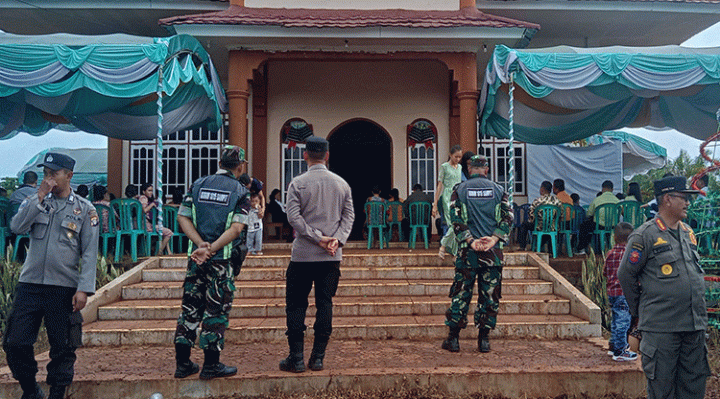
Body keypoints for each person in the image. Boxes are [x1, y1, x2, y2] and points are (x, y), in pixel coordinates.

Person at [3, 152, 99, 399]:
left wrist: (83, 288)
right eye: (46, 174)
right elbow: (17, 227)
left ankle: (57, 393)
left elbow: (89, 252)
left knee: (62, 346)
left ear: (69, 176)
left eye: (54, 174)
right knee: (16, 342)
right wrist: (38, 197)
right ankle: (30, 389)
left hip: (62, 287)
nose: (49, 179)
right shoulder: (36, 202)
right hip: (30, 284)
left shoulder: (84, 210)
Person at [618, 176, 709, 399]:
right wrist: (641, 310)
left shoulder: (688, 232)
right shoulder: (645, 235)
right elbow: (626, 274)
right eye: (683, 198)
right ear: (667, 199)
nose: (688, 203)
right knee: (662, 389)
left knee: (693, 387)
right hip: (662, 328)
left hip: (693, 325)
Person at [173, 145, 250, 380]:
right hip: (221, 261)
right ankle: (211, 365)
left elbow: (182, 216)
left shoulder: (197, 185)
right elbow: (237, 229)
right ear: (240, 166)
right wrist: (212, 249)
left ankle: (183, 363)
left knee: (190, 308)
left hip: (196, 260)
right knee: (215, 311)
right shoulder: (240, 191)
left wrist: (200, 246)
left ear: (220, 163)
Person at [279, 136, 354, 373]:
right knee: (325, 304)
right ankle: (318, 357)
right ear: (327, 156)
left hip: (302, 256)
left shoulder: (297, 183)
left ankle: (296, 358)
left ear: (305, 156)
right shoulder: (342, 184)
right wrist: (336, 240)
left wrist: (316, 237)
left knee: (296, 305)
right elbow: (349, 216)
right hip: (330, 257)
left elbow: (293, 218)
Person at [441, 155, 513, 354]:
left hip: (467, 254)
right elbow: (508, 217)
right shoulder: (499, 190)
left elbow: (455, 219)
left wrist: (471, 241)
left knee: (461, 295)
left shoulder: (460, 190)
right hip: (492, 254)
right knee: (489, 296)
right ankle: (484, 340)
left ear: (469, 168)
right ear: (487, 169)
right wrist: (494, 239)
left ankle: (453, 339)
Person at [603, 222, 637, 362]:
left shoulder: (610, 253)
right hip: (624, 292)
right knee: (623, 320)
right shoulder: (631, 255)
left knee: (616, 319)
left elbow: (605, 272)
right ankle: (620, 350)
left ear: (614, 237)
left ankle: (613, 345)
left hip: (612, 292)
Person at [577, 180, 620, 254]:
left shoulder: (597, 200)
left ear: (602, 189)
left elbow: (589, 214)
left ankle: (582, 248)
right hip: (613, 226)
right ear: (612, 190)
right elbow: (622, 212)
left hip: (599, 226)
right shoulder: (617, 201)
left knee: (584, 226)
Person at [517, 181, 562, 250]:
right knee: (549, 230)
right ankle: (550, 250)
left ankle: (522, 246)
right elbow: (561, 214)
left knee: (524, 224)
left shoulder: (537, 201)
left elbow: (531, 214)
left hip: (539, 226)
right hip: (553, 227)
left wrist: (533, 221)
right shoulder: (557, 201)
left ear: (542, 189)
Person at [432, 145, 463, 236]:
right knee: (449, 219)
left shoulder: (459, 167)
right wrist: (435, 203)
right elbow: (440, 185)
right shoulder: (444, 166)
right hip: (447, 195)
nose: (457, 159)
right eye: (455, 157)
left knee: (458, 218)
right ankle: (448, 241)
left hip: (457, 194)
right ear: (450, 155)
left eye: (459, 157)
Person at [138, 183, 173, 255]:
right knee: (169, 232)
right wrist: (152, 204)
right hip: (148, 226)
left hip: (149, 224)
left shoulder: (147, 199)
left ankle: (167, 251)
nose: (151, 192)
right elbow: (144, 210)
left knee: (164, 231)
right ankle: (159, 252)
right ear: (144, 191)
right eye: (149, 190)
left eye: (151, 191)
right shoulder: (143, 198)